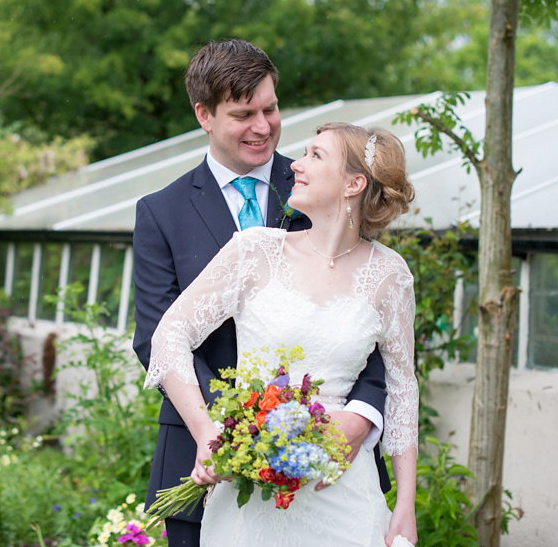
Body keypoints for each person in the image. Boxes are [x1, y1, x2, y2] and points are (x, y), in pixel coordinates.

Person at [132, 39, 391, 547]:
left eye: (270, 109)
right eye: (243, 114)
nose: (263, 126)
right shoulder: (161, 212)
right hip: (201, 455)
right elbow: (154, 336)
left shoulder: (330, 185)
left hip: (329, 463)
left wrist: (361, 417)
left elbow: (374, 319)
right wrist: (233, 426)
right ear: (204, 115)